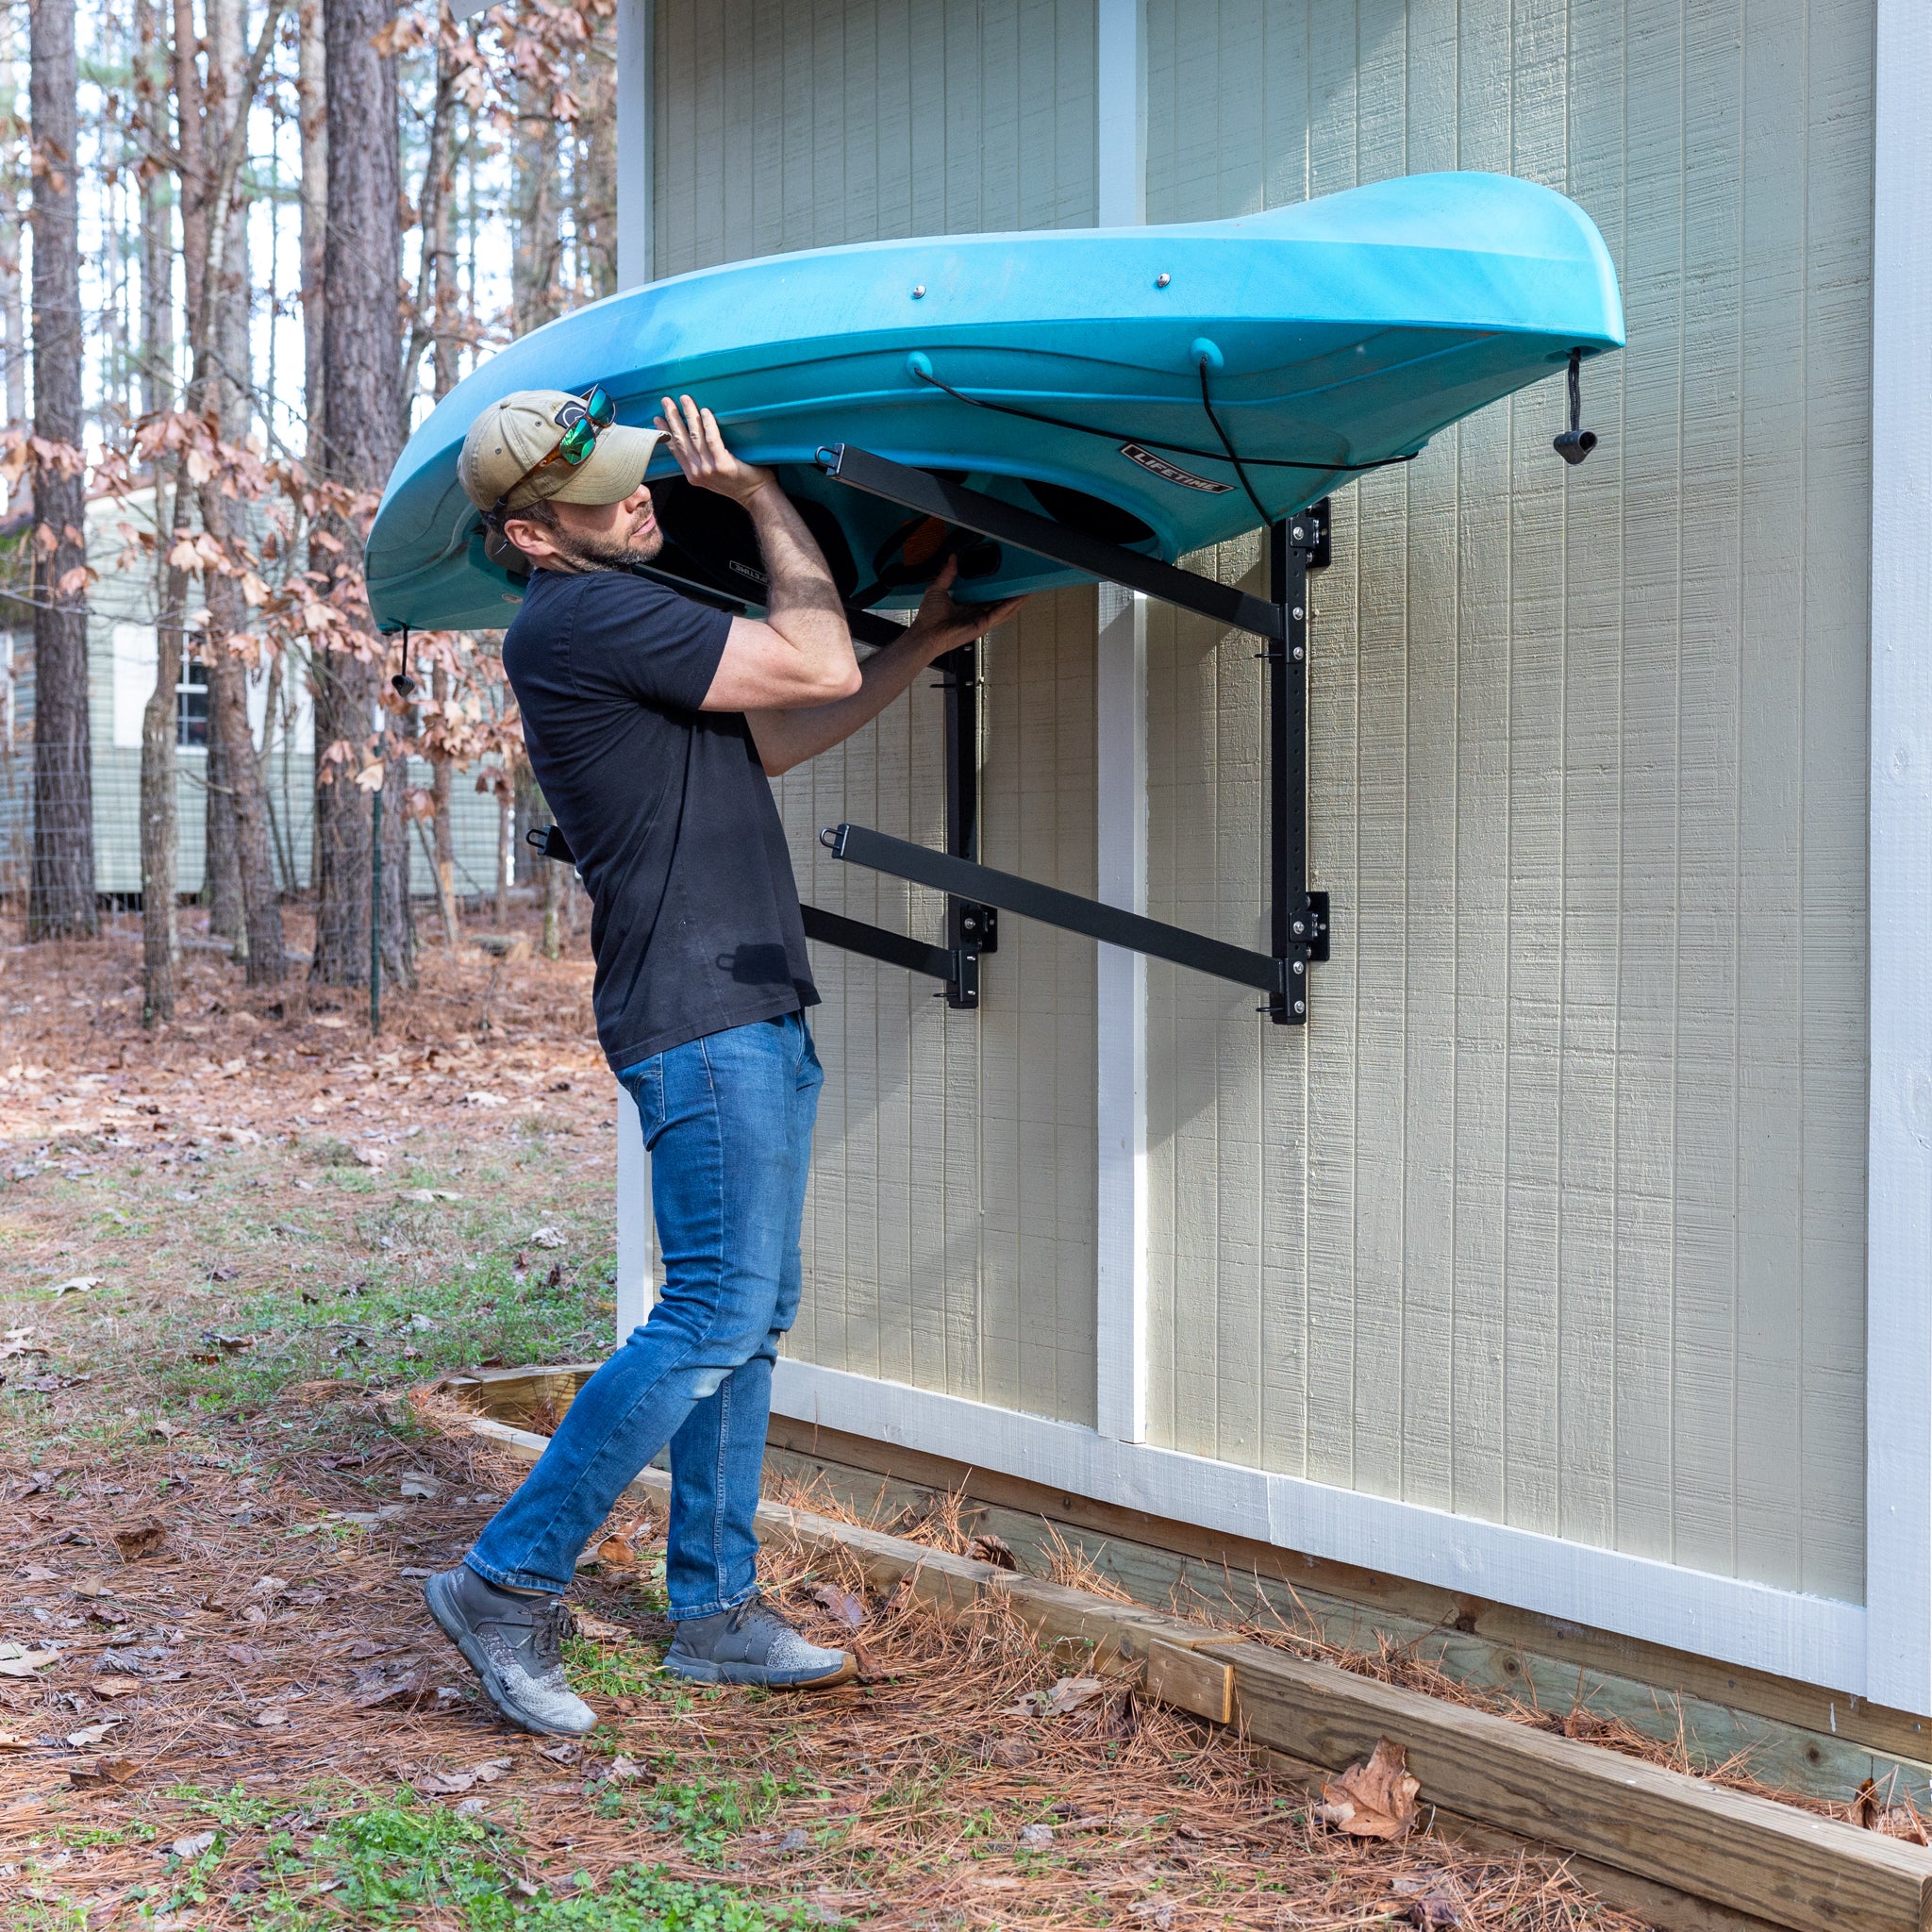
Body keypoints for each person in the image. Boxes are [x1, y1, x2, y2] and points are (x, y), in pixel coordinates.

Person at [422, 385, 1021, 1735]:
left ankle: (713, 1610)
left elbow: (778, 731)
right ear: (535, 537)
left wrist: (921, 641)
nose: (641, 496)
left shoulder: (617, 619)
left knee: (749, 1314)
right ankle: (504, 1584)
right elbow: (810, 659)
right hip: (700, 1016)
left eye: (637, 473)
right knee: (711, 1311)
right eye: (606, 496)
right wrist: (758, 494)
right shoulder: (584, 615)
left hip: (743, 1003)